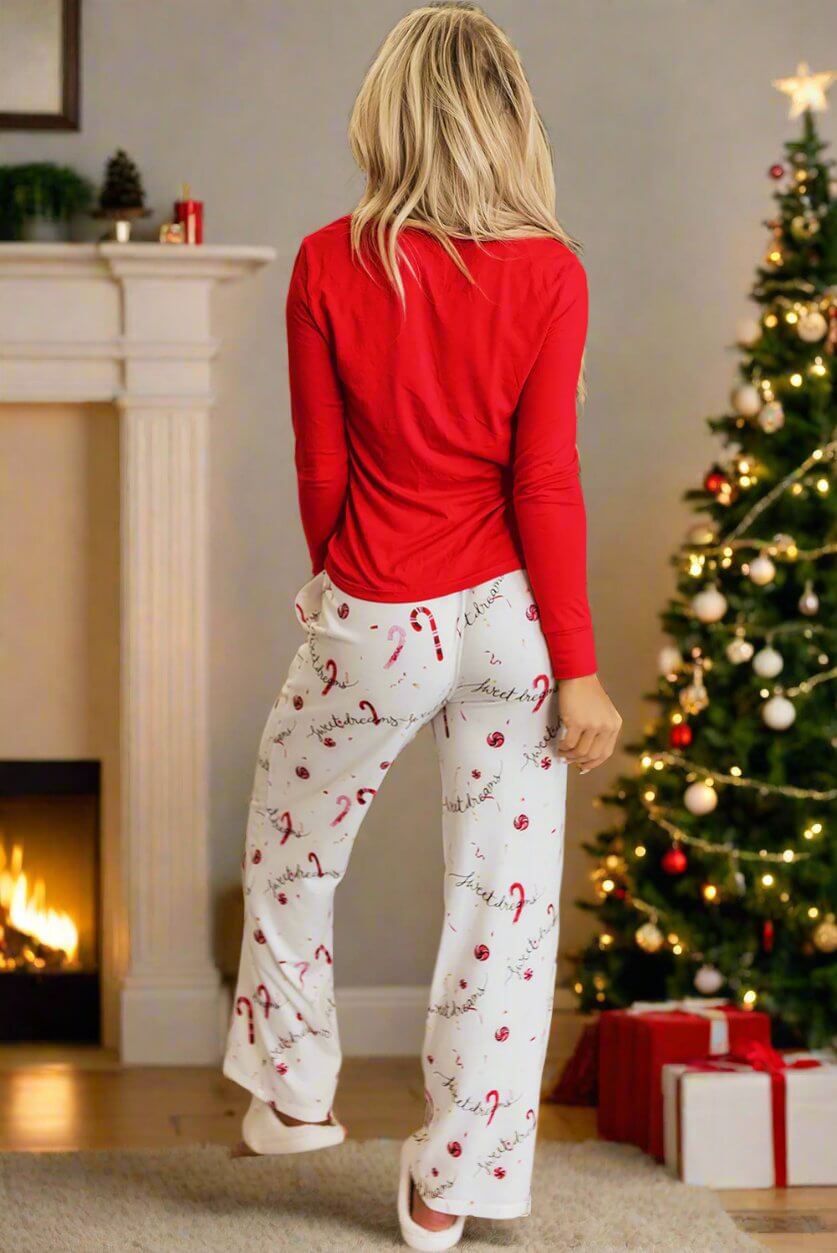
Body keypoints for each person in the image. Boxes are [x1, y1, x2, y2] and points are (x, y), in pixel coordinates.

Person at [224, 3, 621, 1247]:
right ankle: (449, 1187)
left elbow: (319, 472)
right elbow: (544, 479)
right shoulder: (553, 271)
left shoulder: (329, 261)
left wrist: (340, 585)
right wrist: (585, 669)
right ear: (506, 114)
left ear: (389, 111)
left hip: (379, 608)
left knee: (294, 847)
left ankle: (293, 1093)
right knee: (505, 900)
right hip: (513, 622)